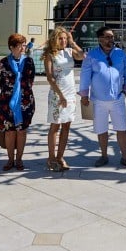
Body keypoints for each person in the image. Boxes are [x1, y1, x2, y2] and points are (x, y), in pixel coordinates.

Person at [79, 26, 126, 167]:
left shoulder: (120, 53)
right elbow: (85, 76)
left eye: (112, 37)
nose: (111, 39)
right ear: (100, 39)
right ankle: (103, 156)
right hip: (98, 100)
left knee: (122, 128)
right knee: (101, 129)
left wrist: (125, 90)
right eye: (108, 37)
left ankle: (125, 156)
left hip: (117, 99)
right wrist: (84, 95)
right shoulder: (91, 55)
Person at [43, 27, 85, 171]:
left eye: (65, 38)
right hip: (57, 94)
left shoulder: (69, 52)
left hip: (70, 93)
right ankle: (51, 157)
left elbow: (82, 56)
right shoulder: (50, 55)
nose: (63, 41)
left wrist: (73, 43)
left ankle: (60, 156)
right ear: (55, 39)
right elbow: (49, 77)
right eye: (61, 38)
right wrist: (60, 96)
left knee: (66, 126)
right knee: (55, 126)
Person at [0, 34, 36, 171]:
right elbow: (2, 83)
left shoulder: (29, 61)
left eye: (24, 44)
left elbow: (31, 81)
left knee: (21, 131)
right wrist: (12, 94)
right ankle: (10, 160)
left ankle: (19, 159)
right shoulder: (3, 62)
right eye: (21, 45)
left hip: (25, 101)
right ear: (12, 47)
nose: (24, 47)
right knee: (9, 131)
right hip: (7, 102)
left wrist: (21, 92)